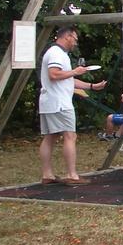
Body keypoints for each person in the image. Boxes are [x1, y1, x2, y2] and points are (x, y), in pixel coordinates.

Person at [38, 26, 108, 185]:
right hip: (59, 103)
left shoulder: (57, 53)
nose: (75, 43)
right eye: (75, 39)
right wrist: (76, 71)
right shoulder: (56, 53)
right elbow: (54, 74)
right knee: (70, 136)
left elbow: (67, 79)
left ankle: (47, 175)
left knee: (50, 137)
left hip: (49, 102)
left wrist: (91, 86)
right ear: (67, 37)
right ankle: (72, 175)